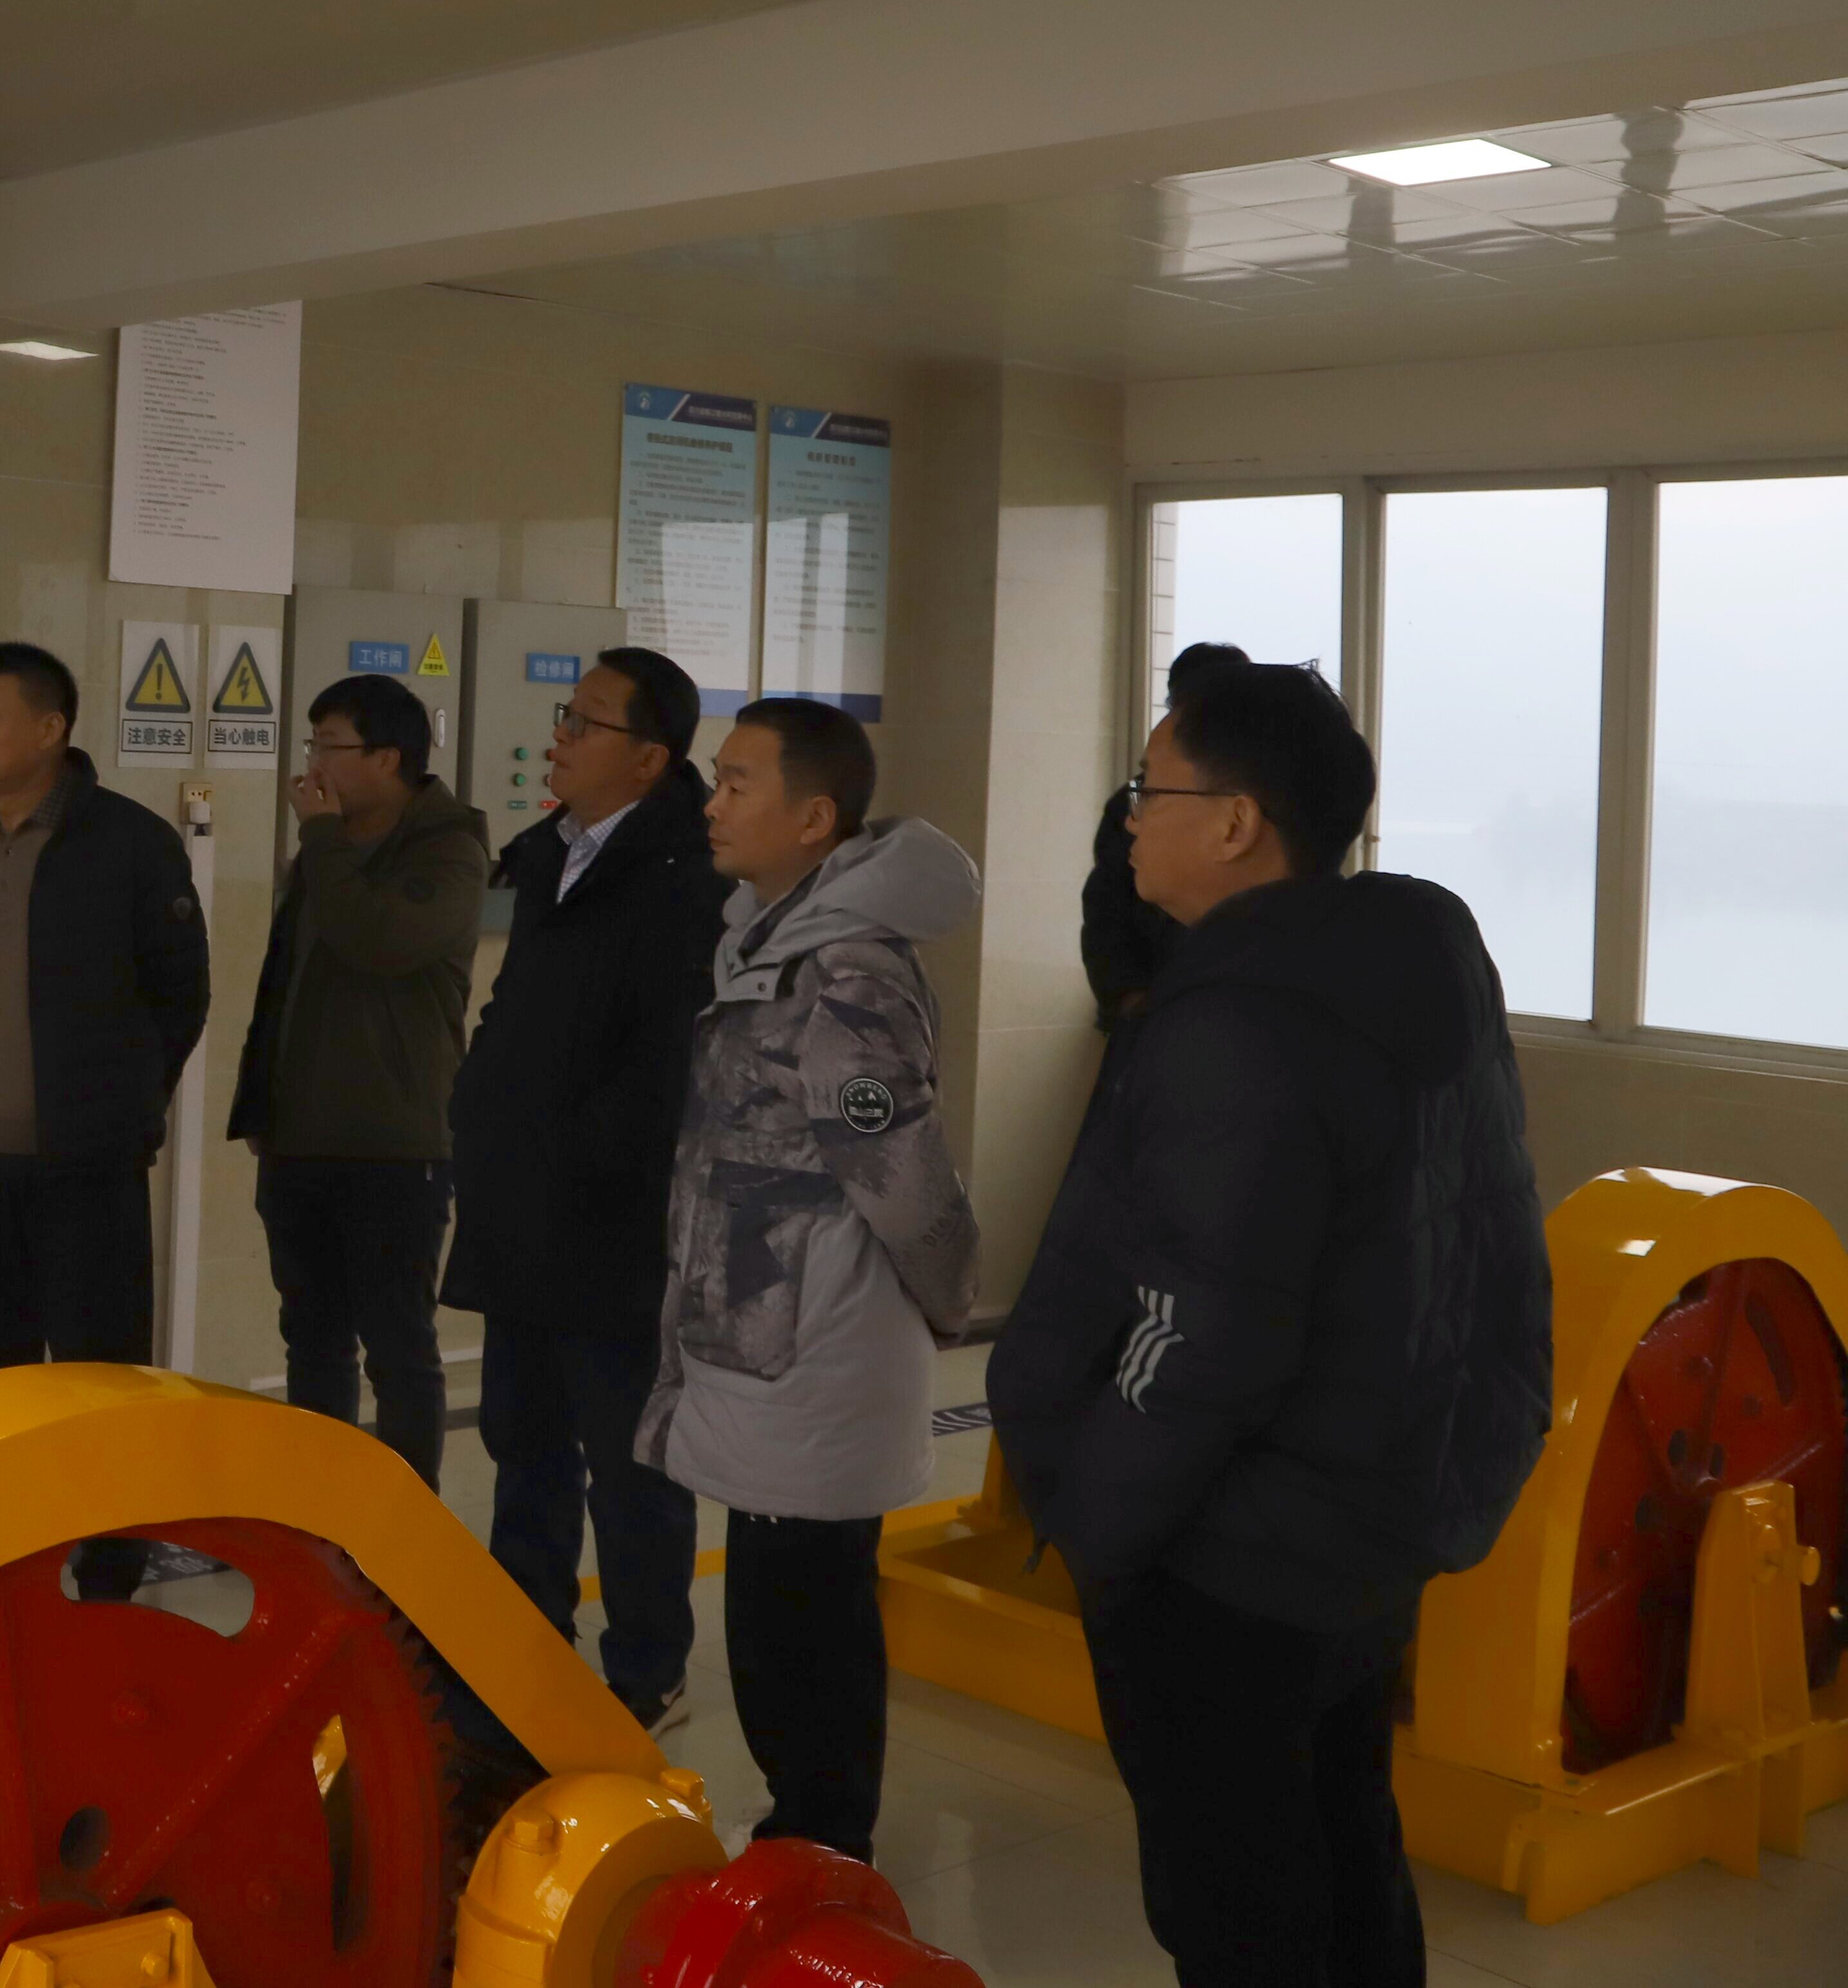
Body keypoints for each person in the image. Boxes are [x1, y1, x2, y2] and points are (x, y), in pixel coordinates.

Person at [994, 663, 1550, 1987]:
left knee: (1239, 1901)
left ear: (1238, 822)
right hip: (1364, 1516)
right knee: (1345, 1842)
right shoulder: (1411, 965)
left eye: (1149, 788)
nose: (1130, 817)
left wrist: (1096, 1520)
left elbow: (1198, 1334)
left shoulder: (1239, 1024)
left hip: (1228, 1557)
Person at [640, 699, 979, 1862]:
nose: (714, 802)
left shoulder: (846, 977)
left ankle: (828, 1854)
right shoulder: (767, 940)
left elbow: (903, 1175)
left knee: (806, 1624)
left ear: (814, 818)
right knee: (775, 1612)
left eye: (739, 783)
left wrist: (949, 1303)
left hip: (823, 1341)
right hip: (766, 1333)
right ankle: (805, 1836)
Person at [443, 646, 728, 1730]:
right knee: (522, 1441)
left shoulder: (686, 878)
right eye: (565, 715)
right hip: (522, 1200)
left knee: (630, 1459)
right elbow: (516, 1009)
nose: (559, 736)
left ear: (649, 758)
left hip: (613, 1218)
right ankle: (527, 1644)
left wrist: (576, 1155)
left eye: (586, 722)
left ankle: (648, 1673)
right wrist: (481, 1105)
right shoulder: (552, 853)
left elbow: (664, 1062)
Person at [0, 641, 211, 1379]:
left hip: (89, 1161)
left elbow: (182, 994)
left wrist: (124, 1105)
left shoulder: (132, 842)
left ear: (50, 729)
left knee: (100, 1375)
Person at [226, 672, 489, 1485]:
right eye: (312, 743)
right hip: (299, 1138)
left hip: (394, 1143)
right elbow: (286, 979)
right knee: (312, 1340)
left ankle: (404, 1530)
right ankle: (321, 1512)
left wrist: (322, 838)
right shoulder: (326, 848)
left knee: (398, 1347)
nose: (313, 764)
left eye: (329, 745)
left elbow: (378, 939)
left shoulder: (449, 847)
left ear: (387, 757)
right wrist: (261, 1103)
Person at [1078, 641, 1249, 1064]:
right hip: (1156, 1010)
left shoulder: (1264, 805)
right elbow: (1107, 907)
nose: (1137, 824)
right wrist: (1130, 997)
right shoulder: (1132, 805)